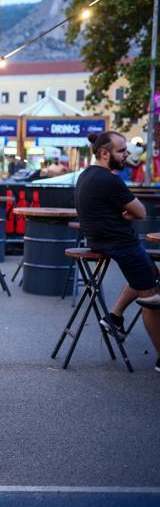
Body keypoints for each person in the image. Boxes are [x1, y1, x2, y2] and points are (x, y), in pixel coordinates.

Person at [75, 131, 160, 372]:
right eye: (121, 151)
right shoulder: (109, 180)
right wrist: (129, 213)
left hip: (99, 241)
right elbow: (141, 212)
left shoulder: (86, 175)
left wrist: (126, 213)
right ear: (105, 153)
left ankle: (114, 316)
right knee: (151, 295)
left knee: (151, 272)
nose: (126, 155)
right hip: (121, 244)